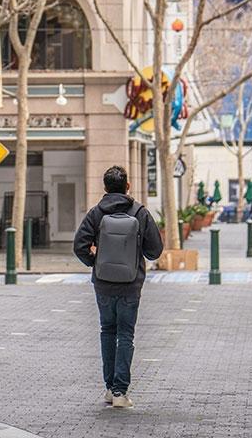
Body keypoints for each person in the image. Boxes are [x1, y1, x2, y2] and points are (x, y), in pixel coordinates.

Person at [72, 166, 164, 409]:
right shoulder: (140, 213)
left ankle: (109, 388)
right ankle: (121, 392)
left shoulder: (96, 214)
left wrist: (96, 263)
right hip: (130, 285)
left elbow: (79, 245)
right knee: (126, 334)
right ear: (128, 186)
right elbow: (154, 251)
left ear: (105, 187)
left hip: (103, 283)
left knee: (107, 331)